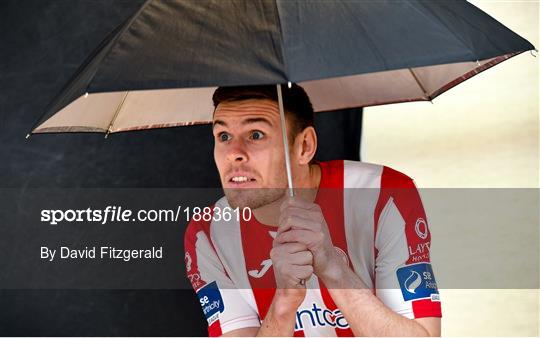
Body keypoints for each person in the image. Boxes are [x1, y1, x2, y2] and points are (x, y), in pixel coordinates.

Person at [184, 84, 441, 337]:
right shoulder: (206, 233)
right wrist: (284, 303)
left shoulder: (384, 193)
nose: (233, 154)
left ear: (304, 146)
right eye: (224, 136)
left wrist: (334, 269)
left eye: (256, 135)